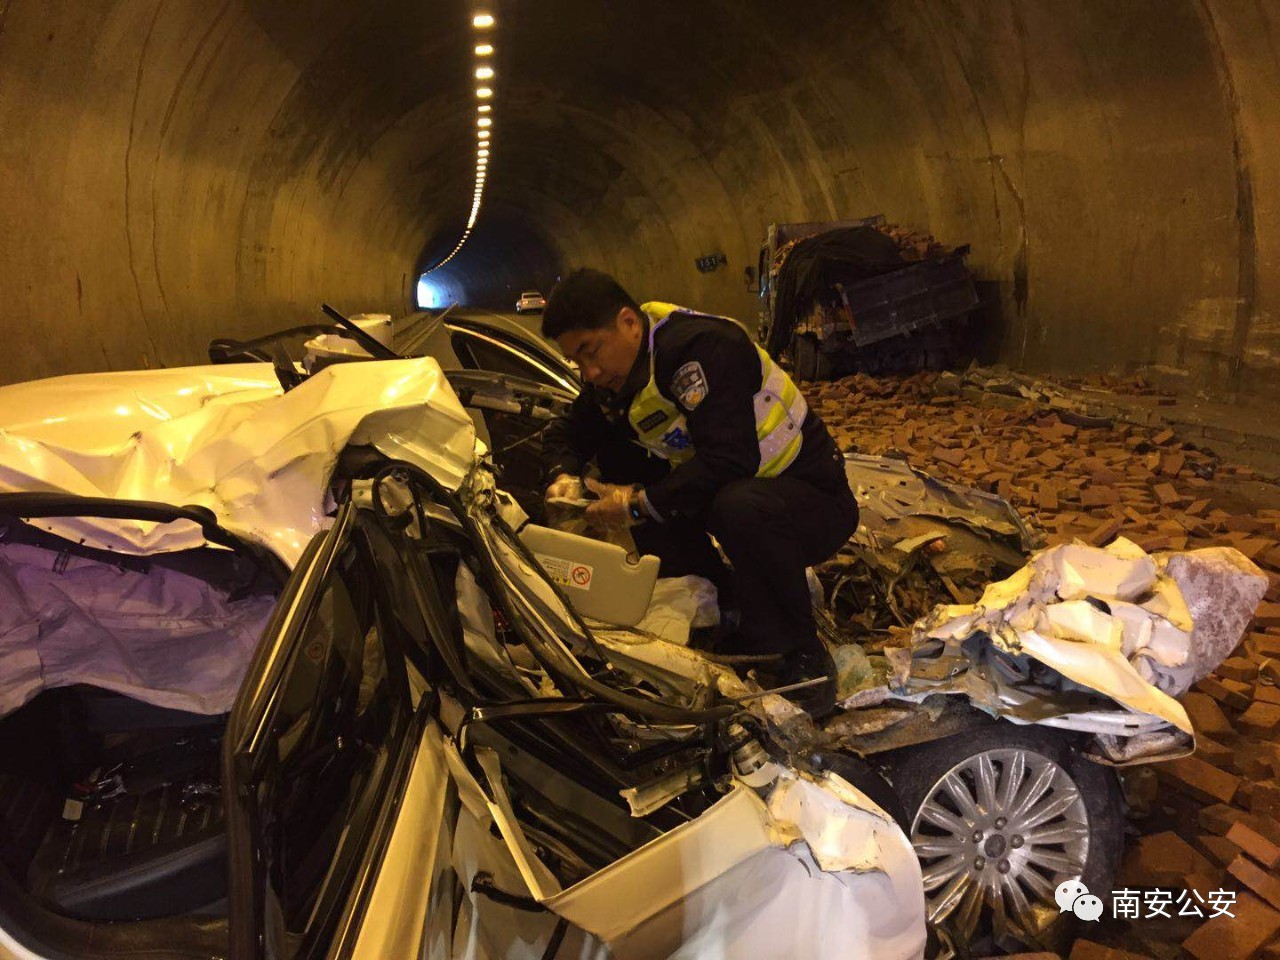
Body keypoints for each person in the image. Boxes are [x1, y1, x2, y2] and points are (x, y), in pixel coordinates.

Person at [539, 268, 859, 708]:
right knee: (637, 477)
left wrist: (635, 504)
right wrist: (563, 476)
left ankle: (800, 657)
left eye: (590, 352)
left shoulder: (703, 349)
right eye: (577, 361)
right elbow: (569, 433)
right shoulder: (617, 379)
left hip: (813, 503)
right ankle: (727, 607)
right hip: (750, 499)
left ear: (629, 323)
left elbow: (732, 459)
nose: (588, 372)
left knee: (727, 505)